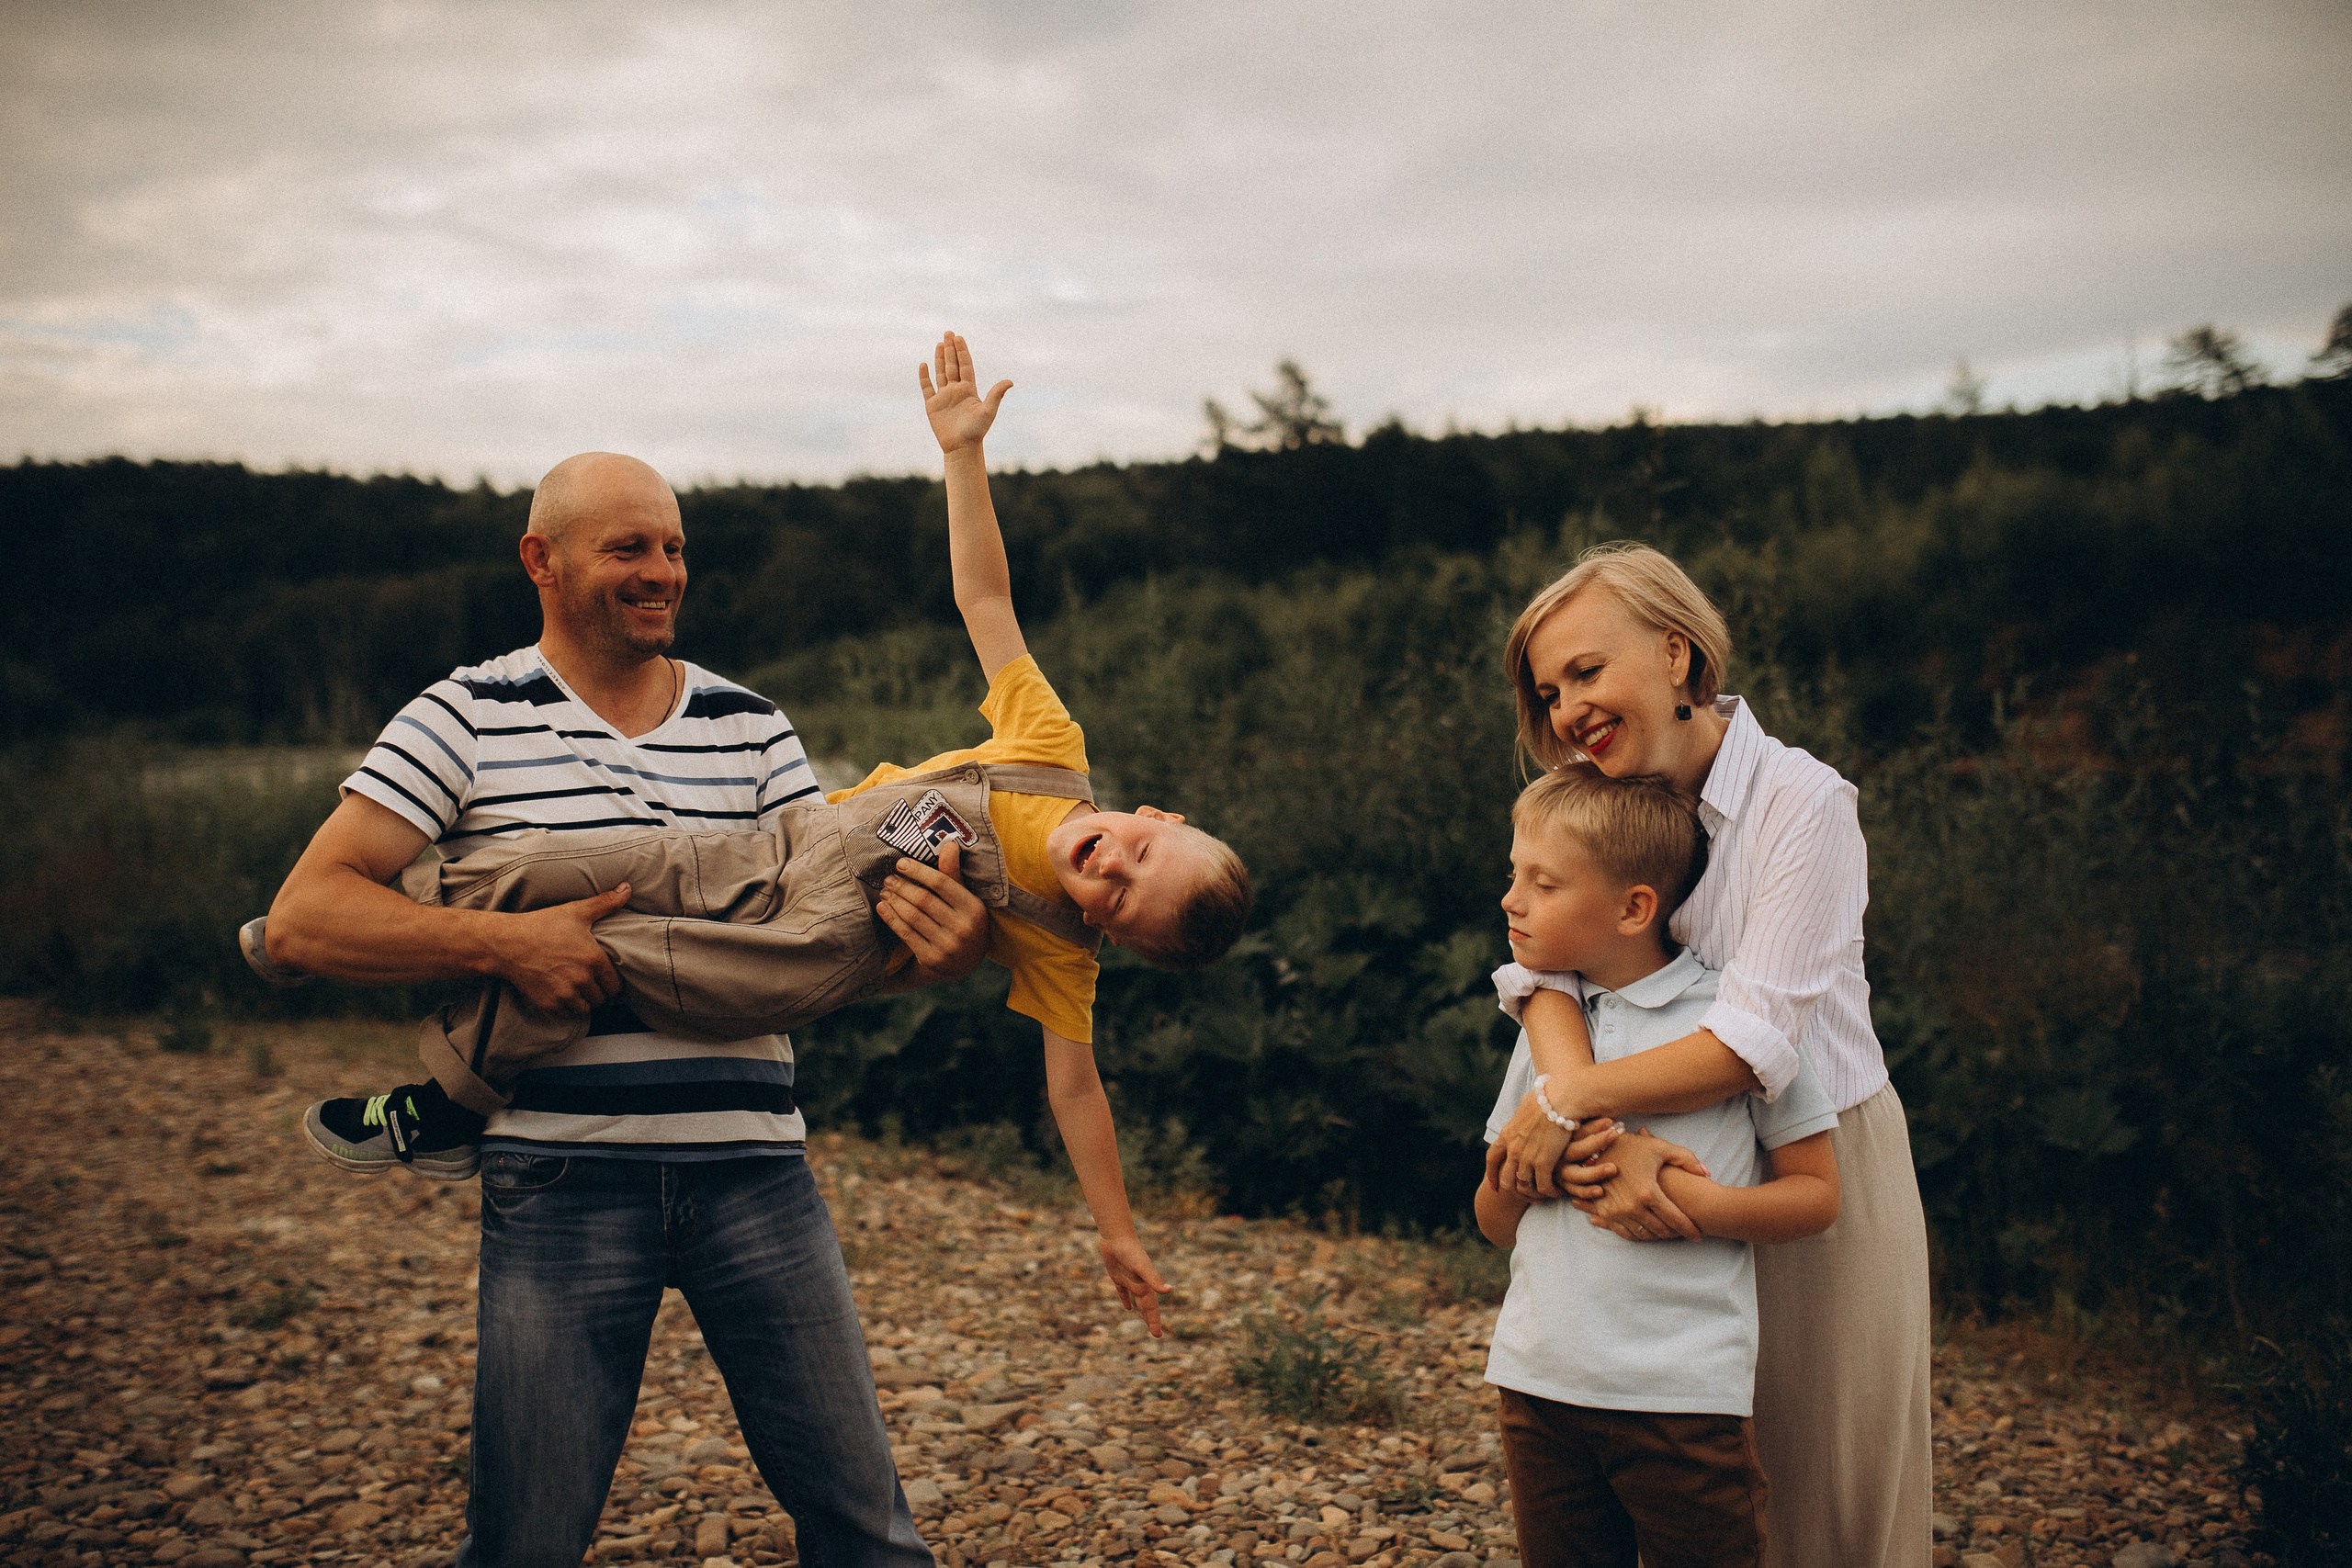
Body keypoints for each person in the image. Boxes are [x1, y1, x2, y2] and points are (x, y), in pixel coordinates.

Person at [282, 332, 1249, 1330]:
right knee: (612, 867)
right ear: (1156, 815)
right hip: (785, 854)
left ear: (1110, 939)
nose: (1112, 876)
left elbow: (1077, 1093)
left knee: (626, 952)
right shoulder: (1047, 745)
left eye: (1122, 908)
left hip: (811, 949)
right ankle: (379, 925)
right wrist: (963, 456)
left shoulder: (1055, 948)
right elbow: (986, 596)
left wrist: (1116, 1228)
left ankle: (444, 1100)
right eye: (1142, 853)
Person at [261, 443, 996, 1568]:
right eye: (630, 548)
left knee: (869, 1535)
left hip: (759, 1176)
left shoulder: (753, 724)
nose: (662, 570)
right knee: (526, 1546)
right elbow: (307, 918)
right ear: (539, 561)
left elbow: (821, 932)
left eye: (674, 547)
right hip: (562, 1180)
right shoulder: (463, 713)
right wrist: (506, 943)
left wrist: (939, 955)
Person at [1483, 542, 1933, 1567]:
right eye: (1549, 690)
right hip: (1624, 1152)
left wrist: (1563, 1108)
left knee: (1816, 1490)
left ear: (1678, 656)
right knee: (1682, 1489)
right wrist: (1583, 1116)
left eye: (1587, 672)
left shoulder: (1800, 801)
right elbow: (1539, 976)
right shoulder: (1585, 796)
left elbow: (1753, 1043)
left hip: (1809, 1156)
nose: (1565, 710)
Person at [1476, 763, 1840, 1568]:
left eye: (1542, 881)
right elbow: (1493, 1220)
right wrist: (1533, 1173)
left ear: (1635, 906)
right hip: (1541, 1385)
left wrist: (1689, 1204)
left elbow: (1816, 1198)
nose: (1512, 898)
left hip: (1680, 1399)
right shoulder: (1545, 1032)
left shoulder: (1731, 1023)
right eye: (1513, 875)